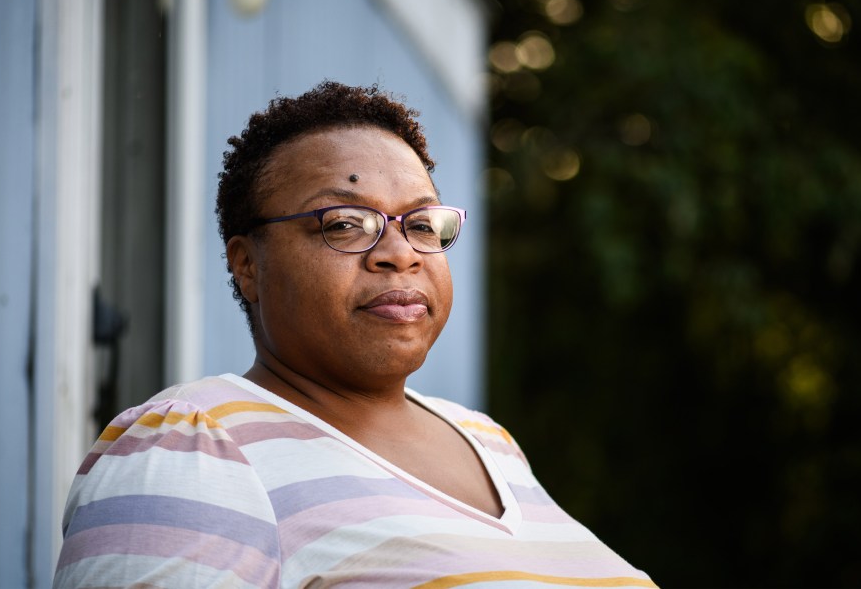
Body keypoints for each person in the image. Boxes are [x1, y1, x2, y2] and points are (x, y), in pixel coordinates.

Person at [55, 82, 656, 588]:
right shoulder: (191, 447)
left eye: (422, 223)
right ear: (247, 265)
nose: (400, 254)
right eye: (344, 223)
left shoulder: (485, 439)